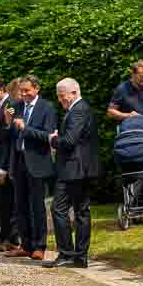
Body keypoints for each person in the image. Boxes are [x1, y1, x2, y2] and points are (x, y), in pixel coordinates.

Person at [45, 79, 99, 269]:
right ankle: (78, 256)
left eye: (62, 96)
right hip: (77, 168)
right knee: (80, 211)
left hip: (74, 169)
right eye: (59, 97)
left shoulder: (78, 110)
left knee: (60, 209)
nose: (60, 100)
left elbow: (69, 141)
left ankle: (69, 253)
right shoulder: (78, 109)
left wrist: (53, 140)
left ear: (74, 92)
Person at [6, 75, 57, 260]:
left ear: (36, 89)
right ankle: (25, 244)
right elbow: (11, 135)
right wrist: (7, 122)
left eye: (27, 90)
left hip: (37, 161)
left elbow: (48, 135)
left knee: (37, 206)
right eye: (21, 91)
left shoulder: (47, 108)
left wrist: (25, 128)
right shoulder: (18, 106)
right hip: (19, 160)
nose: (23, 94)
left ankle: (39, 245)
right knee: (20, 204)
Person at [0, 79, 20, 252]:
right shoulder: (8, 107)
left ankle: (13, 237)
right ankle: (7, 236)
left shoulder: (13, 107)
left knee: (13, 203)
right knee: (5, 203)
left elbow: (9, 140)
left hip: (11, 162)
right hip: (5, 160)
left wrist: (3, 168)